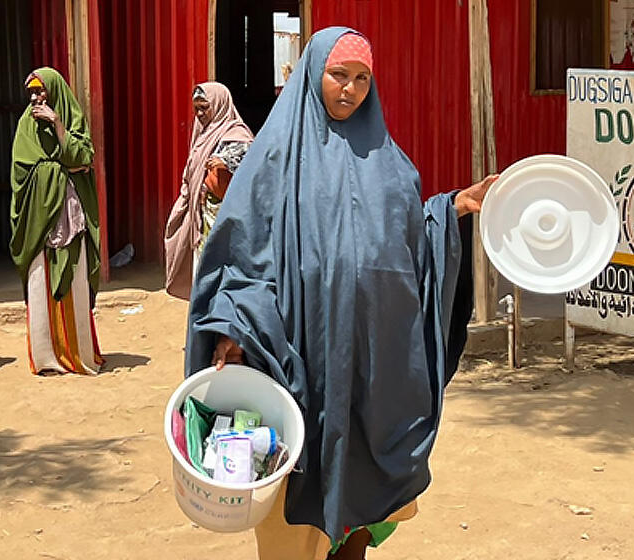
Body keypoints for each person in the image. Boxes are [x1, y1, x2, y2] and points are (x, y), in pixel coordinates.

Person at [185, 28, 497, 559]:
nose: (350, 90)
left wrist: (454, 211)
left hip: (368, 367)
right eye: (338, 76)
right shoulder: (272, 162)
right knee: (297, 500)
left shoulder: (389, 164)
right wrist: (233, 329)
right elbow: (239, 252)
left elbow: (411, 244)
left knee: (358, 496)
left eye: (361, 79)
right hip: (299, 352)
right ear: (312, 74)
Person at [10, 67, 102, 375]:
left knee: (74, 281)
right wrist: (64, 169)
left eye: (41, 92)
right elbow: (23, 174)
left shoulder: (72, 118)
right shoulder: (26, 126)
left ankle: (78, 354)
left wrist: (58, 126)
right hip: (39, 221)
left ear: (55, 92)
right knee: (41, 284)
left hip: (71, 218)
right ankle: (47, 357)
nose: (36, 99)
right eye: (32, 94)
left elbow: (84, 155)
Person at [164, 82, 253, 300]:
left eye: (205, 107)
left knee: (224, 267)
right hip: (202, 214)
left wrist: (224, 161)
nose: (200, 113)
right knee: (203, 265)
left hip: (227, 216)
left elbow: (250, 155)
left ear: (220, 105)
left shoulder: (236, 131)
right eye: (197, 108)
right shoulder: (201, 134)